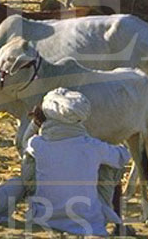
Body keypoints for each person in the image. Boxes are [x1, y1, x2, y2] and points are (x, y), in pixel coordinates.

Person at [10, 88, 129, 236]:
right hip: (89, 221)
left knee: (29, 159)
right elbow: (123, 156)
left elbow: (23, 143)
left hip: (44, 218)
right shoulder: (93, 146)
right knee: (112, 164)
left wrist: (35, 123)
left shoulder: (38, 144)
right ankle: (116, 219)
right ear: (80, 118)